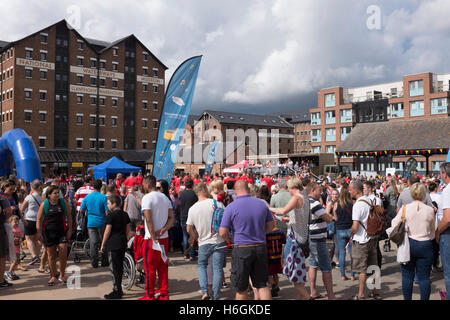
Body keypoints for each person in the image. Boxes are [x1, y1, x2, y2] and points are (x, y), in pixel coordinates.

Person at [219, 180, 274, 300]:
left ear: (235, 191)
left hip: (241, 248)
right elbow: (271, 226)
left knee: (241, 288)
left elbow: (222, 232)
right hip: (260, 246)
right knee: (262, 285)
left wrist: (229, 239)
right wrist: (259, 233)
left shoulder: (231, 207)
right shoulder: (262, 204)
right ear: (248, 189)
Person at [391, 182, 435, 300]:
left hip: (409, 244)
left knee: (407, 277)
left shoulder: (405, 208)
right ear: (423, 194)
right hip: (425, 244)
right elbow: (432, 232)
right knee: (424, 278)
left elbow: (394, 223)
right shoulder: (430, 210)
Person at [270, 178, 310, 300]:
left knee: (291, 271)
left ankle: (307, 297)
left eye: (288, 188)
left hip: (295, 240)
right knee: (298, 272)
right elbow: (308, 219)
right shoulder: (305, 197)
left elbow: (282, 210)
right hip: (303, 238)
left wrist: (267, 207)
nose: (287, 190)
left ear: (292, 187)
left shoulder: (296, 197)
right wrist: (291, 220)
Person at [186, 183, 226, 300]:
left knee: (202, 266)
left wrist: (195, 237)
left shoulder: (193, 208)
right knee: (217, 269)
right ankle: (215, 295)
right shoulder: (217, 204)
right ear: (204, 190)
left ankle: (205, 292)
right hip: (218, 240)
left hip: (203, 242)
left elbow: (188, 228)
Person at [139, 175, 174, 301]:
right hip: (164, 237)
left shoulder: (147, 198)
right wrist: (164, 229)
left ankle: (149, 295)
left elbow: (148, 219)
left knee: (150, 268)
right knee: (163, 267)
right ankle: (164, 294)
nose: (143, 186)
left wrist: (153, 235)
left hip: (151, 239)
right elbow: (171, 218)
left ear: (148, 184)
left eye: (143, 184)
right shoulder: (165, 197)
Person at [349, 180, 381, 300]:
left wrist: (350, 232)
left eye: (350, 189)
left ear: (356, 191)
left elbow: (355, 226)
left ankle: (361, 294)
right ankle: (376, 292)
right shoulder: (370, 200)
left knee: (362, 269)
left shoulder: (357, 205)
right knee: (374, 266)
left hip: (361, 240)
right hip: (373, 238)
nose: (349, 191)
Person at [36, 185, 72, 286]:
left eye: (58, 193)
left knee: (63, 252)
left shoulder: (63, 203)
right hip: (48, 233)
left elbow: (69, 216)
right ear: (49, 195)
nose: (57, 195)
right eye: (55, 193)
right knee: (51, 256)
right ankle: (53, 275)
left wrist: (69, 230)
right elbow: (38, 219)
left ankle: (62, 274)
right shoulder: (45, 204)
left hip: (62, 233)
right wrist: (39, 232)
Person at [306, 182, 336, 300]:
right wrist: (328, 210)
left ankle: (313, 291)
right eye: (319, 190)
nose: (321, 192)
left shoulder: (306, 201)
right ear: (313, 190)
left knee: (313, 265)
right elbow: (328, 219)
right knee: (326, 268)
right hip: (318, 239)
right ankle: (331, 296)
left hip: (311, 237)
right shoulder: (315, 203)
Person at [100, 194, 131, 300]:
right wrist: (126, 238)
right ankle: (119, 289)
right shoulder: (125, 214)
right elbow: (128, 229)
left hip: (113, 243)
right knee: (120, 267)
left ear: (114, 203)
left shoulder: (111, 215)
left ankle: (116, 290)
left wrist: (103, 244)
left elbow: (107, 231)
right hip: (122, 242)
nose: (107, 205)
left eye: (108, 203)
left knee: (114, 268)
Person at [79, 179, 109, 268]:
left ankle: (94, 262)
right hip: (102, 222)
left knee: (93, 243)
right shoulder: (104, 197)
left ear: (93, 187)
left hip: (91, 222)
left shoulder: (87, 197)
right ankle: (104, 261)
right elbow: (107, 212)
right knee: (104, 242)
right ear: (101, 187)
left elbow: (81, 210)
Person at [334, 186, 355, 281]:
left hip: (340, 230)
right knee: (352, 253)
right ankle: (352, 275)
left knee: (342, 253)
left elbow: (336, 218)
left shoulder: (336, 204)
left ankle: (342, 275)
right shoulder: (352, 204)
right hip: (350, 229)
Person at [21, 180, 43, 266]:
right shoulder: (42, 197)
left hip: (29, 219)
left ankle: (34, 256)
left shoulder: (29, 197)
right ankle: (37, 256)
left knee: (29, 238)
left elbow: (22, 208)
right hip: (39, 220)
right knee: (38, 239)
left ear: (32, 187)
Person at [436, 162, 450, 300]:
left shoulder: (447, 190)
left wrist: (438, 232)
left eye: (440, 173)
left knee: (449, 273)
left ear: (444, 174)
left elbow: (447, 219)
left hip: (448, 234)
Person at [179, 178, 198, 261]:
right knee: (192, 235)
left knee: (185, 235)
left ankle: (185, 254)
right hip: (192, 216)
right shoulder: (194, 194)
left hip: (183, 215)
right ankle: (191, 254)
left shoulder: (182, 193)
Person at [4, 216, 27, 281]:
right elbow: (7, 238)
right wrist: (13, 239)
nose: (16, 223)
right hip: (11, 247)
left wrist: (20, 241)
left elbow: (21, 238)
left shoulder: (19, 230)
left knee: (17, 260)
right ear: (10, 222)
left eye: (17, 222)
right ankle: (9, 272)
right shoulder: (9, 229)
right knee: (14, 260)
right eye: (15, 222)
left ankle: (12, 273)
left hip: (17, 247)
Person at [428, 180, 443, 272]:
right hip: (436, 223)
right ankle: (435, 264)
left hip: (428, 223)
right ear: (436, 188)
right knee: (435, 246)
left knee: (429, 245)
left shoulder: (427, 197)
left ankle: (429, 265)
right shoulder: (439, 197)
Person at [383, 178, 400, 252]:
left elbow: (385, 197)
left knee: (389, 225)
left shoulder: (389, 189)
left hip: (390, 208)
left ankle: (388, 241)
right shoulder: (396, 188)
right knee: (395, 225)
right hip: (396, 207)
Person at [0, 191, 13, 287]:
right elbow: (8, 211)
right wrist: (4, 221)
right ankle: (1, 281)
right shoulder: (1, 196)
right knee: (1, 256)